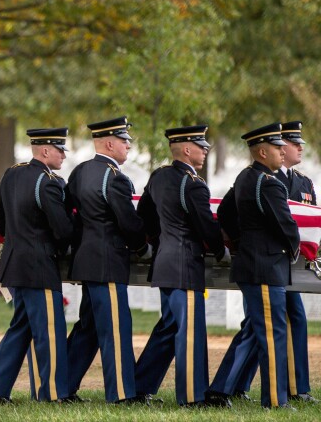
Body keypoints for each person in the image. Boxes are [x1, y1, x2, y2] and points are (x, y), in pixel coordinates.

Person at [208, 121, 317, 405]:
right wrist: (294, 248)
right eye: (277, 147)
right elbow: (287, 226)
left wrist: (241, 243)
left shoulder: (247, 177)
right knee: (272, 335)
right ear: (263, 152)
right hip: (267, 265)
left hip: (256, 262)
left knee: (261, 331)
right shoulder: (267, 183)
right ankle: (275, 399)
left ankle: (223, 391)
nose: (283, 151)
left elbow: (227, 214)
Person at [132, 125, 231, 408]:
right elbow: (206, 227)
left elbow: (145, 218)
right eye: (201, 145)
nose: (206, 149)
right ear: (187, 149)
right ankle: (192, 396)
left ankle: (139, 387)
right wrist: (220, 250)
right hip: (185, 266)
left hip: (164, 264)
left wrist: (158, 241)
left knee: (169, 329)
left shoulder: (159, 177)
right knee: (190, 331)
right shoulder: (194, 184)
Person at [0, 128, 76, 404]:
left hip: (14, 262)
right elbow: (62, 229)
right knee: (50, 332)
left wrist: (18, 236)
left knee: (21, 327)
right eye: (60, 149)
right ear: (45, 151)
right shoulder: (48, 182)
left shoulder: (13, 173)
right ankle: (53, 394)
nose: (64, 155)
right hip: (38, 267)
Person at [65, 116, 153, 405]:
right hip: (108, 261)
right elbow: (128, 222)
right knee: (116, 328)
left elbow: (71, 215)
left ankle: (62, 386)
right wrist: (142, 246)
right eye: (124, 140)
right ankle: (122, 393)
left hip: (87, 260)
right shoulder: (114, 178)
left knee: (88, 327)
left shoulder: (79, 172)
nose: (128, 145)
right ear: (109, 143)